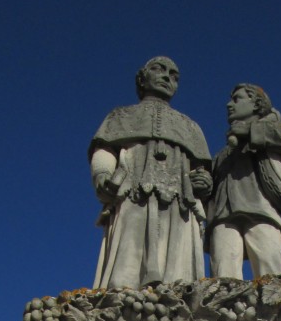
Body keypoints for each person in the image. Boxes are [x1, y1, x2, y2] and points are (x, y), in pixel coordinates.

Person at [89, 57, 212, 289]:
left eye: (174, 76)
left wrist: (203, 180)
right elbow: (105, 149)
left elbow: (202, 169)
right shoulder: (120, 116)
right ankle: (122, 296)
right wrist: (102, 174)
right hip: (133, 191)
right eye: (159, 69)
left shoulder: (190, 126)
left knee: (177, 260)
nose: (167, 77)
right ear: (142, 78)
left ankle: (176, 295)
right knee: (129, 249)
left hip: (179, 199)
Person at [207, 83, 281, 279]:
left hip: (260, 210)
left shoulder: (272, 131)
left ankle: (277, 309)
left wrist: (250, 132)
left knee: (271, 271)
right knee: (223, 274)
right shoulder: (223, 155)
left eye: (237, 99)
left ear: (256, 104)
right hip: (222, 215)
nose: (229, 105)